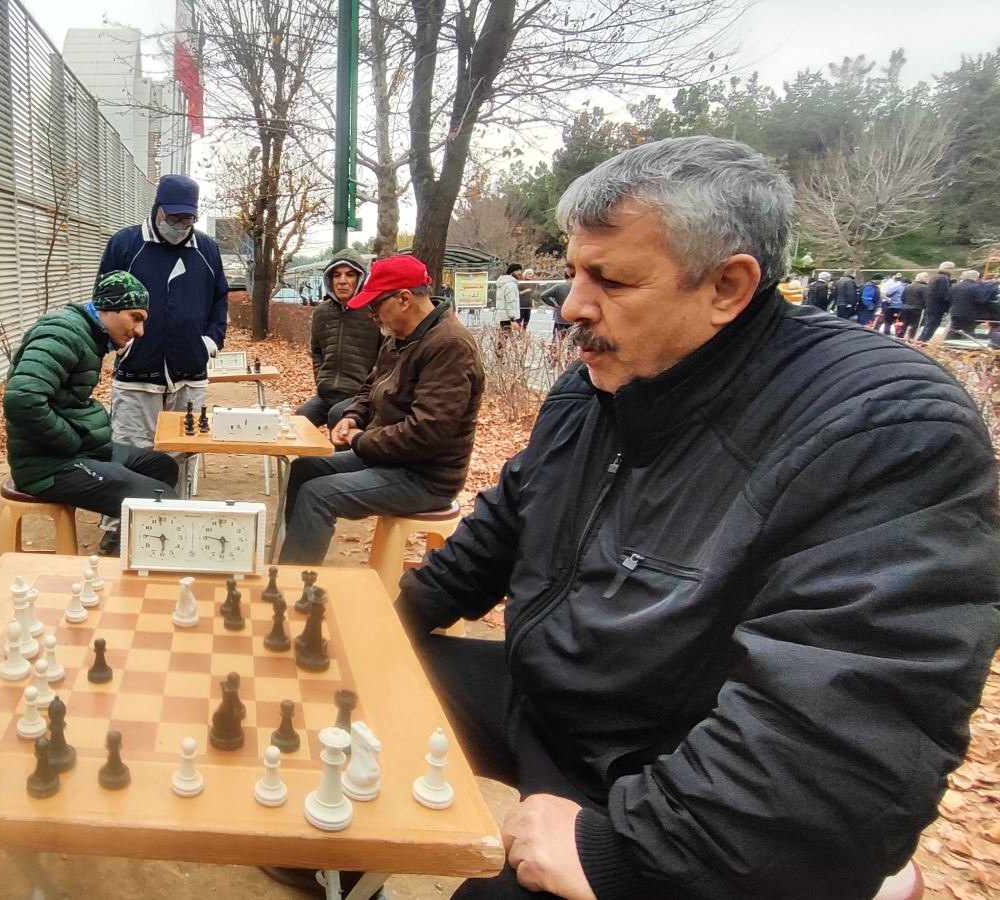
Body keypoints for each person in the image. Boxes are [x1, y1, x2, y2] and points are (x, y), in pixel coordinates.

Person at [394, 136, 1000, 900]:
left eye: (611, 279)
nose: (572, 306)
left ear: (726, 286)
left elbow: (840, 743)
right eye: (575, 272)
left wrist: (617, 855)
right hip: (551, 698)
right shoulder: (602, 382)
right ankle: (326, 863)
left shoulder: (884, 428)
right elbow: (506, 522)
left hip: (670, 771)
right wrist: (388, 622)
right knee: (345, 687)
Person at [276, 255, 484, 566]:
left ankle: (290, 583)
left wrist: (360, 440)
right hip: (390, 459)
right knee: (305, 469)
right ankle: (293, 559)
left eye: (375, 305)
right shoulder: (399, 336)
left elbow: (426, 432)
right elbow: (369, 387)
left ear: (404, 299)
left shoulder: (450, 345)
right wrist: (353, 416)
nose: (372, 315)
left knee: (318, 494)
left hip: (426, 476)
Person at [3, 271, 179, 554]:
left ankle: (124, 546)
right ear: (109, 308)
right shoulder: (63, 333)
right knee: (160, 500)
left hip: (74, 453)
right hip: (46, 466)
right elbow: (22, 399)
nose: (139, 331)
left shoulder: (86, 334)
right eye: (135, 317)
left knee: (162, 466)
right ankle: (126, 570)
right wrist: (72, 442)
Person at [98, 174, 229, 462]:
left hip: (190, 373)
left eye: (187, 219)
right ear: (158, 208)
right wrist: (120, 344)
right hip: (136, 373)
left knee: (182, 456)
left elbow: (220, 299)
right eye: (174, 217)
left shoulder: (207, 250)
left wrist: (209, 341)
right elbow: (104, 299)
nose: (180, 225)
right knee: (131, 456)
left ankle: (178, 496)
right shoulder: (126, 244)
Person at [297, 248, 382, 428]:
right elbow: (317, 350)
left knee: (337, 416)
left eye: (350, 275)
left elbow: (385, 356)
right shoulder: (321, 312)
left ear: (360, 278)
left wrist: (370, 388)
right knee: (299, 421)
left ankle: (340, 448)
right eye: (337, 275)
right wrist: (321, 379)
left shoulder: (373, 312)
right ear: (330, 279)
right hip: (326, 393)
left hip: (359, 396)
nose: (342, 281)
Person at [916, 261, 957, 341]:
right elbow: (943, 294)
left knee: (928, 325)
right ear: (947, 268)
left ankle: (921, 341)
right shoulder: (943, 279)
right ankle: (922, 341)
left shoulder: (936, 277)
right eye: (952, 268)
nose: (953, 271)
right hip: (937, 307)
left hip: (931, 305)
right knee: (932, 326)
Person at [946, 268, 991, 339]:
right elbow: (980, 301)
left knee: (954, 329)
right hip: (969, 313)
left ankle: (948, 342)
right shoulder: (977, 287)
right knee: (967, 331)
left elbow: (949, 299)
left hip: (955, 312)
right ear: (976, 277)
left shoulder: (954, 286)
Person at [539, 263, 576, 337]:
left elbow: (543, 296)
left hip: (561, 317)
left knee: (558, 339)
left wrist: (554, 305)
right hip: (575, 318)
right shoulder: (581, 287)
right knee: (572, 339)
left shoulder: (559, 287)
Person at [493, 263, 523, 332]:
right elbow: (510, 302)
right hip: (508, 318)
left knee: (504, 336)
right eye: (517, 270)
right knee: (507, 336)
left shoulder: (504, 282)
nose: (519, 272)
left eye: (520, 270)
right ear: (511, 272)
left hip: (503, 316)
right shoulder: (510, 285)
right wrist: (512, 319)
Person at [900, 271, 930, 338]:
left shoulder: (908, 286)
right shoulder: (925, 288)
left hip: (905, 307)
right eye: (927, 277)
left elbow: (902, 297)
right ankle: (910, 338)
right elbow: (926, 300)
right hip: (917, 308)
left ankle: (900, 337)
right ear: (924, 278)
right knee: (915, 325)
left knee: (904, 324)